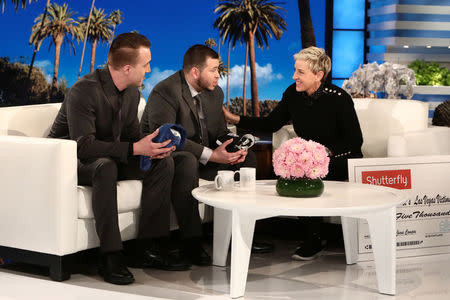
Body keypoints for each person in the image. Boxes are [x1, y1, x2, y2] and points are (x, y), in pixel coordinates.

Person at [48, 32, 192, 285]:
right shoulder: (84, 90)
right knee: (105, 167)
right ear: (127, 68)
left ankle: (146, 248)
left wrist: (153, 147)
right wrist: (136, 148)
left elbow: (132, 137)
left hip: (107, 157)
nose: (149, 69)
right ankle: (110, 255)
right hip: (66, 162)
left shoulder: (133, 94)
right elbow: (83, 146)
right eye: (145, 64)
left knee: (164, 163)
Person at [222, 46, 363, 260]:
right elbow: (271, 123)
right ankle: (312, 235)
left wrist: (325, 152)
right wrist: (234, 119)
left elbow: (354, 141)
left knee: (305, 173)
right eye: (295, 70)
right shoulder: (292, 94)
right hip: (309, 160)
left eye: (300, 72)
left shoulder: (339, 98)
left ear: (319, 75)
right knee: (294, 172)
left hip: (341, 157)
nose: (294, 76)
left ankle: (314, 239)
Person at [141, 44, 272, 255]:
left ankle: (241, 236)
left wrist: (235, 146)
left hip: (204, 160)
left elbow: (219, 132)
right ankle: (191, 241)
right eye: (213, 70)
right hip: (172, 160)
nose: (218, 75)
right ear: (195, 72)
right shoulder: (166, 91)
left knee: (247, 161)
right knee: (187, 161)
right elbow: (168, 136)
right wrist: (212, 155)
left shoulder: (215, 93)